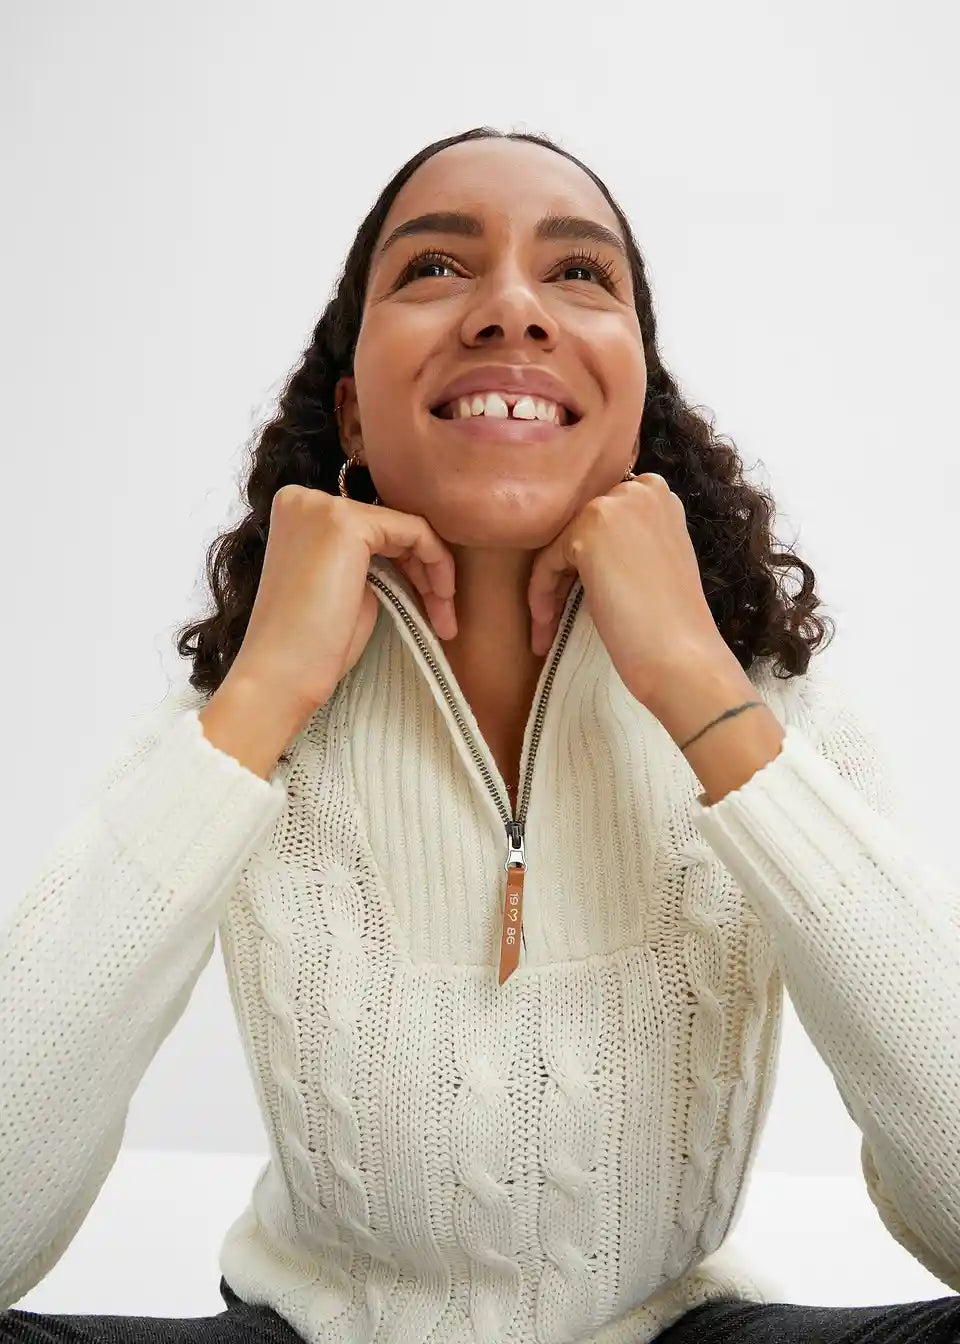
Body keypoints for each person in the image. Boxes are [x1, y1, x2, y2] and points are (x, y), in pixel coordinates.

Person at [1, 127, 958, 1343]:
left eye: (579, 273)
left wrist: (702, 694)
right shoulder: (225, 746)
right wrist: (262, 697)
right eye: (437, 267)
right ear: (353, 409)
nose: (512, 308)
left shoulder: (788, 730)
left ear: (636, 403)